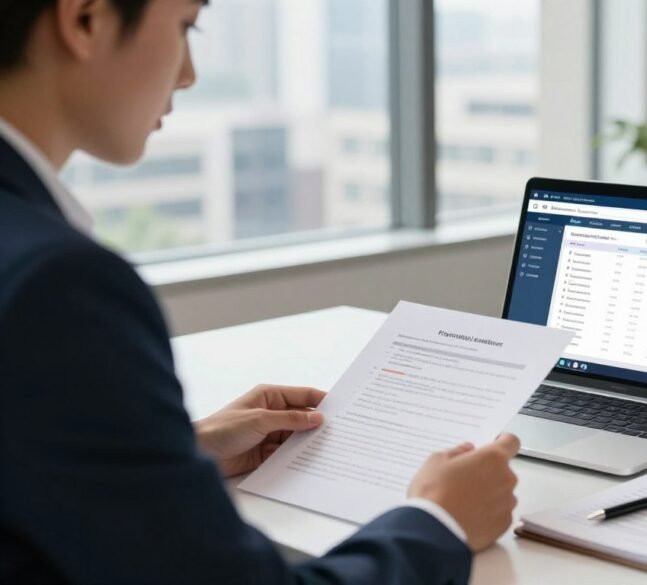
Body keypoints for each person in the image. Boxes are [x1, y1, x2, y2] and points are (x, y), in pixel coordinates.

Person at [0, 1, 520, 583]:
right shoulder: (58, 286)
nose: (189, 73)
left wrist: (179, 452)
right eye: (185, 26)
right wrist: (439, 520)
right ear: (85, 20)